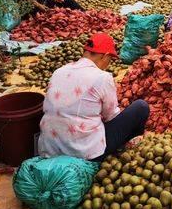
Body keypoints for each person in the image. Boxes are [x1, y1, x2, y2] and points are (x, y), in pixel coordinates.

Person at [38, 33, 150, 161]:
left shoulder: (59, 71)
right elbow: (110, 116)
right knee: (141, 107)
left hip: (49, 151)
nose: (109, 63)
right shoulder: (102, 77)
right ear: (105, 56)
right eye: (110, 59)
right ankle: (127, 145)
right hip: (83, 153)